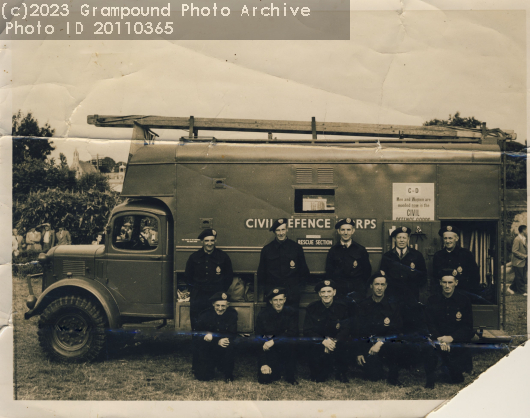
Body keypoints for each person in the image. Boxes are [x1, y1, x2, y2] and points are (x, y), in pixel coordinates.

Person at [356, 271, 411, 386]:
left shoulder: (394, 305)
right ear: (371, 286)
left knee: (397, 344)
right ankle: (377, 367)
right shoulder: (363, 305)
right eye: (376, 284)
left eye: (382, 285)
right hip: (369, 345)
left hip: (387, 344)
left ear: (386, 286)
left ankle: (393, 377)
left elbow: (398, 330)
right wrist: (360, 352)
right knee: (373, 376)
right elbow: (359, 330)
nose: (379, 288)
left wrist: (380, 343)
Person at [424, 268, 474, 388]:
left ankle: (451, 367)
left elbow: (468, 327)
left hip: (454, 341)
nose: (447, 286)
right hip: (438, 340)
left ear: (456, 283)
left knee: (457, 379)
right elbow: (429, 324)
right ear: (440, 283)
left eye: (450, 282)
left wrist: (451, 338)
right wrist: (440, 339)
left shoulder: (464, 301)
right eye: (444, 282)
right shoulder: (432, 300)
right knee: (429, 352)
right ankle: (430, 378)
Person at [185, 229, 234, 331]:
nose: (209, 243)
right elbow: (188, 277)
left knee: (215, 321)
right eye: (207, 241)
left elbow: (229, 277)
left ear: (215, 241)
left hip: (215, 294)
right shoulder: (194, 257)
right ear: (202, 241)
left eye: (212, 240)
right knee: (197, 322)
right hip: (199, 295)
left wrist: (220, 291)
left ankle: (215, 343)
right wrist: (194, 290)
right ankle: (197, 344)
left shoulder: (223, 256)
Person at [302, 280, 350, 382]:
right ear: (319, 294)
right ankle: (320, 370)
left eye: (329, 291)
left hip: (336, 343)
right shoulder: (312, 308)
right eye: (323, 292)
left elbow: (346, 329)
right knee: (318, 378)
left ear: (334, 292)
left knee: (345, 342)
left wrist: (334, 341)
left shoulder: (342, 308)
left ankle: (341, 371)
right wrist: (324, 341)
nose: (326, 295)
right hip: (320, 343)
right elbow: (307, 330)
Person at [257, 218, 309, 306]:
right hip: (273, 292)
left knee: (292, 318)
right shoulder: (267, 249)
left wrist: (297, 289)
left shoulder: (296, 248)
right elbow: (261, 273)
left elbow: (304, 271)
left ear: (287, 229)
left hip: (292, 293)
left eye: (283, 229)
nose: (281, 233)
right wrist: (268, 291)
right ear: (274, 232)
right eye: (278, 230)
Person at [255, 287, 298, 385]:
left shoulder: (291, 313)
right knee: (265, 379)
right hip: (270, 349)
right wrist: (263, 363)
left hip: (285, 347)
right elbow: (259, 338)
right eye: (275, 300)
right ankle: (272, 369)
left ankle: (290, 375)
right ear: (270, 301)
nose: (278, 303)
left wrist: (274, 341)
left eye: (281, 300)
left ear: (285, 300)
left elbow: (293, 332)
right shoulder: (263, 314)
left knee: (291, 343)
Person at [194, 292, 238, 382]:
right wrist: (216, 340)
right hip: (209, 347)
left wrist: (222, 340)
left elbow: (232, 333)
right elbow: (197, 335)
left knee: (230, 343)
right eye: (217, 305)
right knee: (203, 377)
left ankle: (228, 373)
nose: (220, 308)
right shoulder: (205, 315)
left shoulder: (232, 315)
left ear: (228, 305)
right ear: (213, 304)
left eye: (223, 306)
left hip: (224, 345)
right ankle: (207, 367)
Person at [325, 218, 371, 301]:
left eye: (348, 230)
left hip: (357, 290)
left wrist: (361, 288)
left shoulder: (360, 250)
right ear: (338, 231)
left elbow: (367, 271)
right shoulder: (333, 250)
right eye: (343, 230)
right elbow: (329, 272)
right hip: (339, 290)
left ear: (353, 231)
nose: (345, 233)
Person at [380, 226, 427, 303]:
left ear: (408, 239)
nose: (401, 240)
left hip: (411, 296)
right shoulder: (387, 256)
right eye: (399, 238)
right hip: (393, 296)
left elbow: (423, 275)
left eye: (404, 238)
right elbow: (383, 276)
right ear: (395, 239)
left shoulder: (417, 255)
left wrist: (413, 286)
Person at [433, 225, 480, 298]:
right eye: (445, 238)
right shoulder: (438, 255)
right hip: (443, 297)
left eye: (450, 238)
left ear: (457, 238)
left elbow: (474, 277)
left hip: (462, 296)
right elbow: (435, 277)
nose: (447, 241)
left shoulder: (466, 254)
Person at [508, 225, 527, 295]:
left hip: (523, 261)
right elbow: (514, 251)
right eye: (527, 230)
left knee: (520, 276)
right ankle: (521, 291)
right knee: (520, 277)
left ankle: (511, 288)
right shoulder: (517, 239)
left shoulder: (524, 238)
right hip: (518, 262)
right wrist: (524, 256)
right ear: (523, 231)